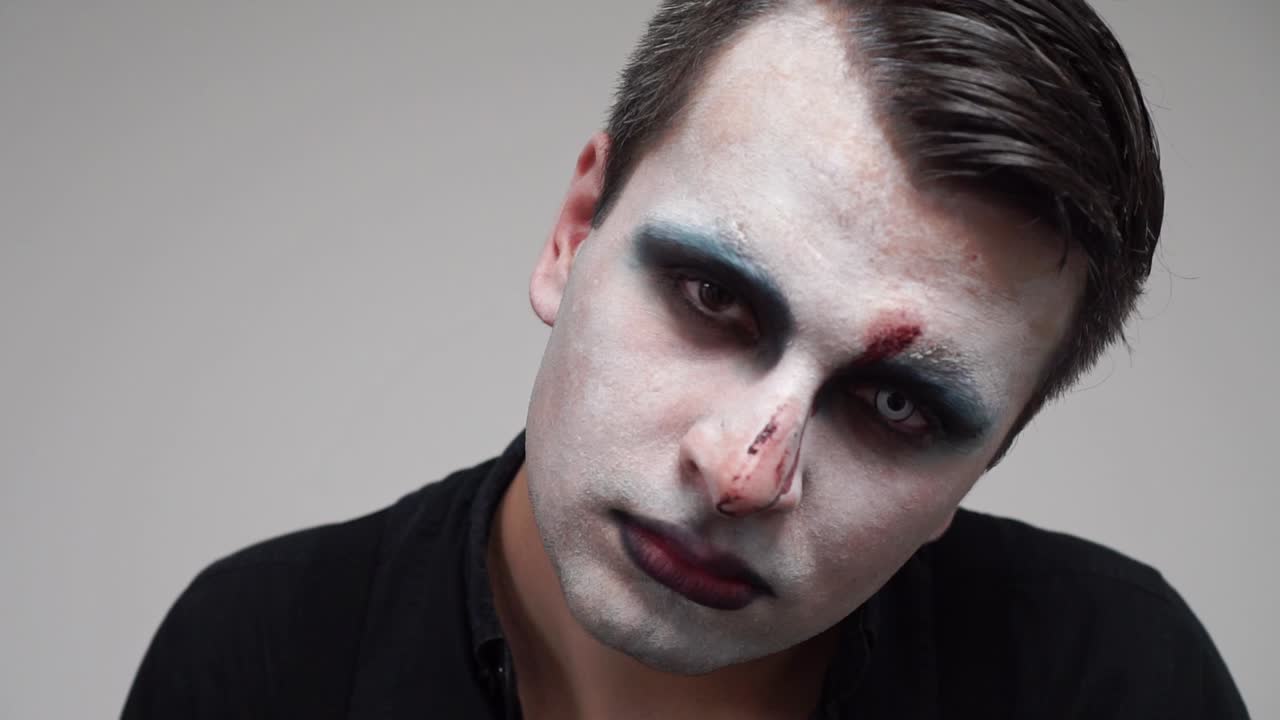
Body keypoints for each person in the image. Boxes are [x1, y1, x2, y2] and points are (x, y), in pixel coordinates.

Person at [123, 0, 1250, 718]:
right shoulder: (264, 661)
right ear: (572, 234)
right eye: (714, 298)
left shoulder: (1114, 680)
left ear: (990, 457)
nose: (744, 471)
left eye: (899, 405)